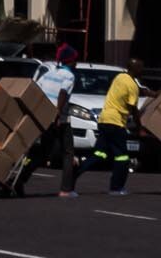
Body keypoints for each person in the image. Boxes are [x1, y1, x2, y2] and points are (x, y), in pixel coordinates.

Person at [61, 58, 142, 198]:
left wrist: (151, 93)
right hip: (116, 123)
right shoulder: (132, 86)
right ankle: (116, 187)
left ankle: (73, 176)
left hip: (104, 120)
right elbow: (133, 107)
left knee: (99, 154)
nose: (142, 70)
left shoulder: (120, 77)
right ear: (135, 69)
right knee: (122, 157)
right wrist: (139, 125)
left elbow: (138, 90)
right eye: (141, 68)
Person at [18, 45, 77, 194]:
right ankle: (66, 189)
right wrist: (56, 114)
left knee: (42, 153)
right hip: (59, 120)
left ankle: (19, 180)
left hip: (42, 117)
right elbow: (63, 93)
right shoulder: (69, 76)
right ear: (70, 61)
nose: (76, 64)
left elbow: (36, 89)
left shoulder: (49, 73)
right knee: (68, 153)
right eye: (75, 61)